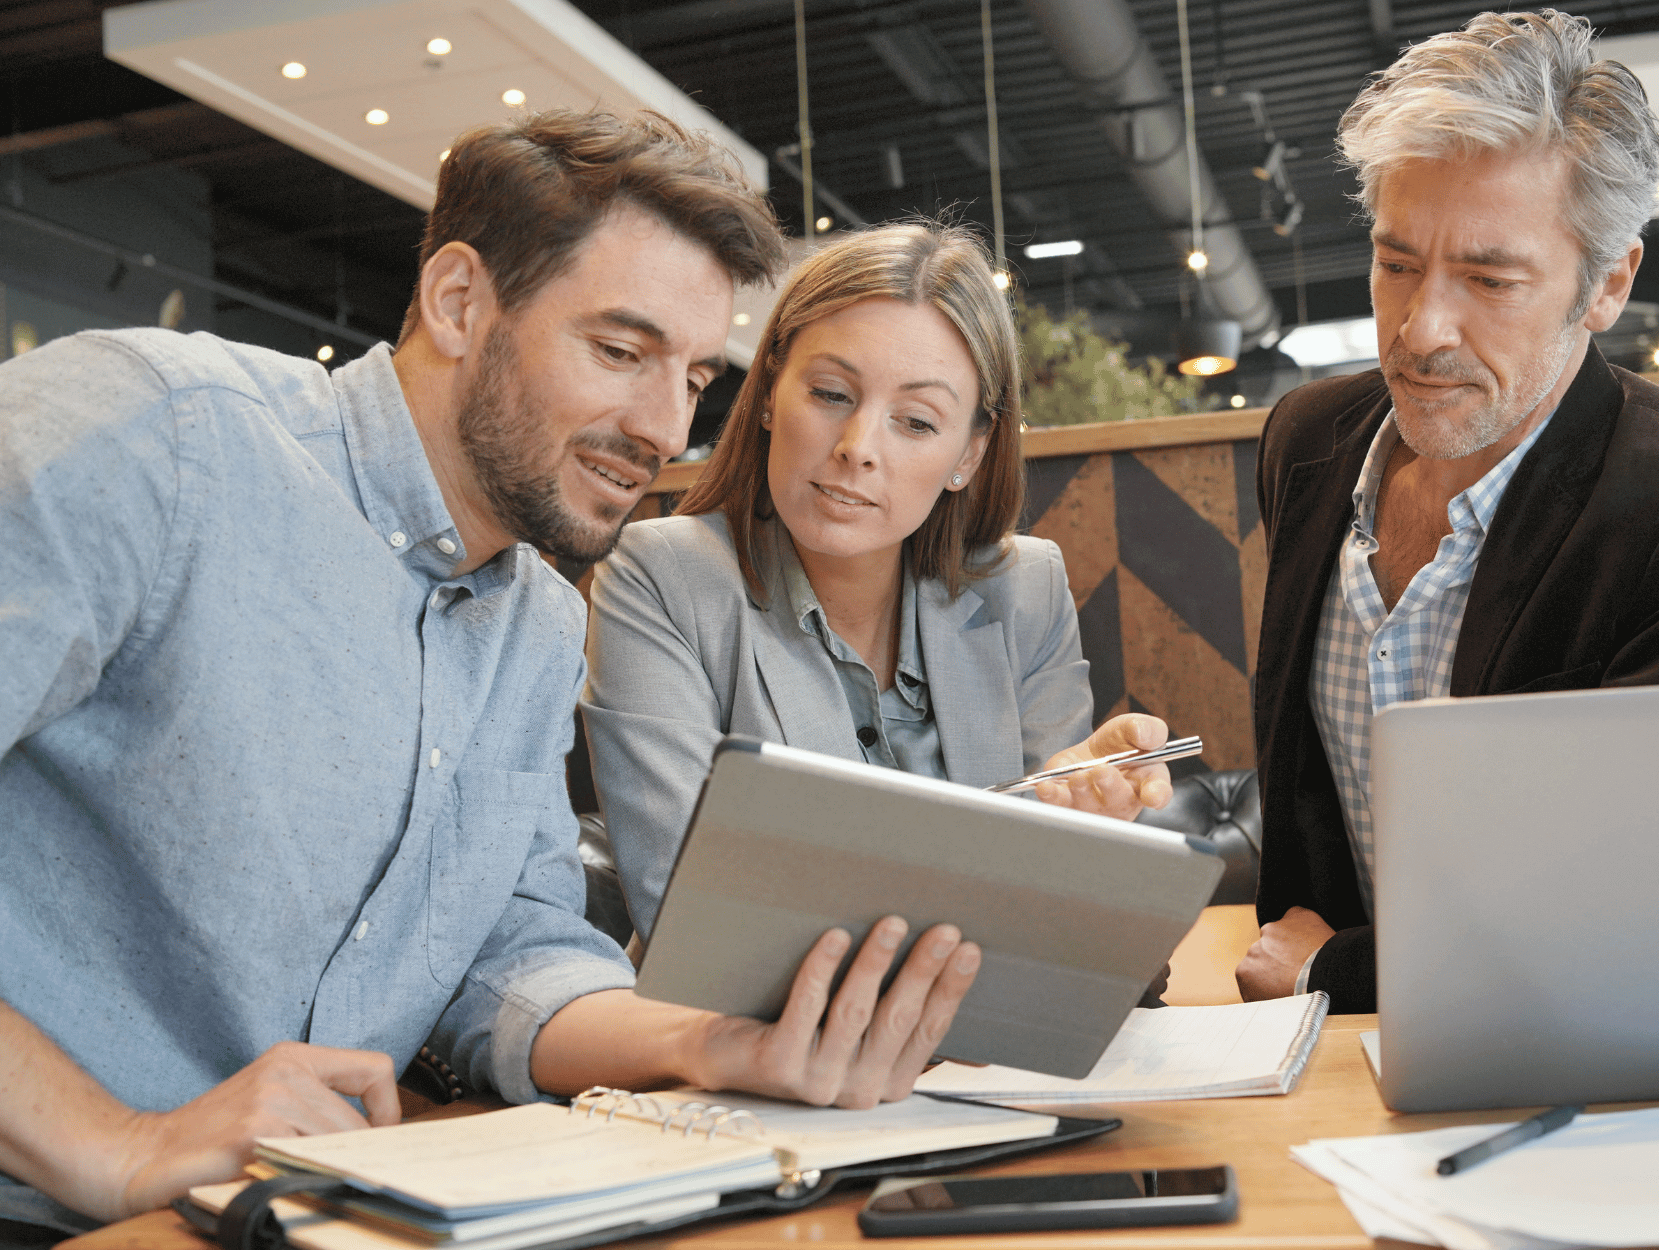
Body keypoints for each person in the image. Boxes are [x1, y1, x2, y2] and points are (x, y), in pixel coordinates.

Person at [0, 111, 981, 1245]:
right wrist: (117, 1139)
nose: (666, 426)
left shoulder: (536, 624)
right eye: (620, 351)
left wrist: (711, 1041)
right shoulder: (157, 436)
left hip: (297, 1209)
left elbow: (506, 956)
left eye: (696, 375)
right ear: (459, 301)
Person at [1236, 12, 1659, 1010]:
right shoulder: (1307, 442)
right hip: (1321, 1063)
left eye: (1489, 278)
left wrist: (1337, 973)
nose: (1421, 330)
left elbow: (1641, 899)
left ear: (1607, 284)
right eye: (1396, 262)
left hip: (1587, 1053)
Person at [581, 221, 1174, 944]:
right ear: (769, 393)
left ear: (969, 455)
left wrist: (1080, 824)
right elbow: (696, 913)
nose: (857, 449)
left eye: (917, 423)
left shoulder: (1027, 588)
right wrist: (1012, 864)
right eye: (830, 394)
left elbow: (1064, 923)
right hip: (753, 1040)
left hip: (998, 1039)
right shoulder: (659, 579)